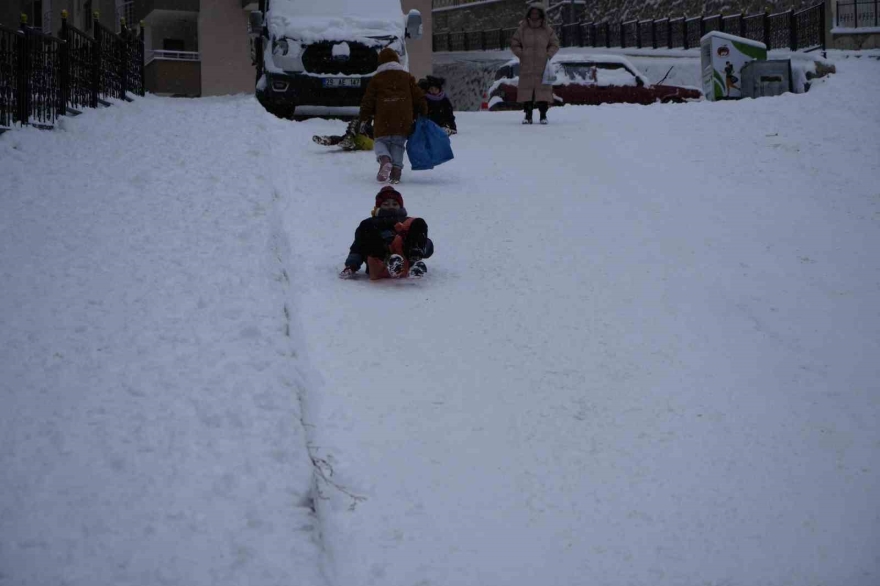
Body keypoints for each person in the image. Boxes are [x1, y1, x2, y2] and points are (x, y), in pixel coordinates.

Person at [359, 48, 428, 184]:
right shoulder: (407, 77)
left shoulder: (376, 79)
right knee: (397, 144)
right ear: (397, 61)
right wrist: (423, 112)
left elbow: (368, 101)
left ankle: (384, 159)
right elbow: (419, 97)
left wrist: (364, 118)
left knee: (380, 141)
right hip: (403, 120)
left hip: (383, 119)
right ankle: (396, 171)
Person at [339, 186, 434, 280]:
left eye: (395, 204)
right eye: (386, 204)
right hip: (379, 263)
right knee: (370, 228)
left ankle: (415, 261)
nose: (391, 207)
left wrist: (421, 245)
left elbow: (426, 244)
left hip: (405, 263)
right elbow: (358, 246)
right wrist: (351, 266)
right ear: (379, 207)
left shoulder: (408, 222)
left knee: (417, 223)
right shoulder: (369, 223)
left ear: (400, 206)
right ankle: (390, 260)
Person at [509, 2, 560, 125]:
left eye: (537, 13)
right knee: (527, 92)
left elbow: (555, 44)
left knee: (543, 91)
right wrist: (522, 54)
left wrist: (547, 55)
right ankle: (528, 115)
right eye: (532, 13)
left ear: (541, 14)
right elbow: (514, 43)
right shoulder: (523, 29)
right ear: (529, 14)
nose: (534, 15)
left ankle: (543, 115)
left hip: (542, 65)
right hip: (526, 65)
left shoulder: (547, 29)